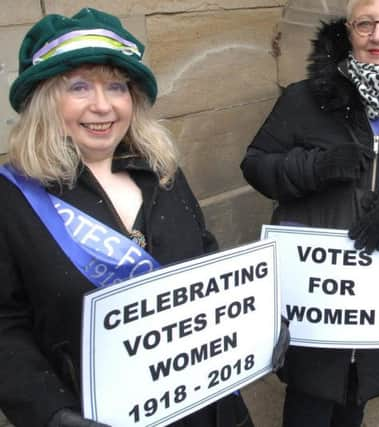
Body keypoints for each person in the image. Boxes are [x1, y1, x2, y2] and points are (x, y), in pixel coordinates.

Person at [0, 8, 260, 427]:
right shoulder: (12, 199)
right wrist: (50, 412)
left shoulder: (163, 172)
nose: (102, 106)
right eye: (79, 87)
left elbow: (208, 263)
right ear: (46, 99)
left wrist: (256, 329)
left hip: (208, 405)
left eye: (116, 87)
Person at [240, 0, 379, 425]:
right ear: (348, 30)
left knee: (355, 400)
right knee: (307, 400)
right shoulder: (304, 98)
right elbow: (256, 164)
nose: (378, 35)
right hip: (316, 292)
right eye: (365, 23)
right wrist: (315, 167)